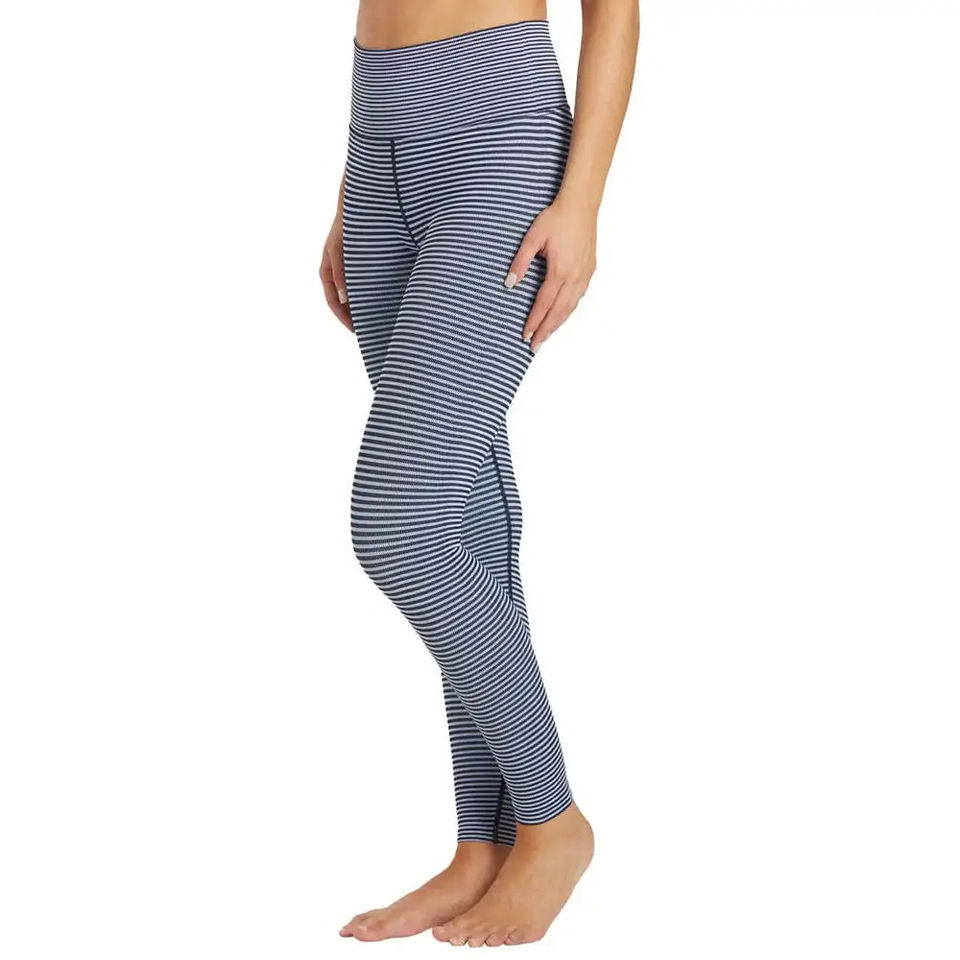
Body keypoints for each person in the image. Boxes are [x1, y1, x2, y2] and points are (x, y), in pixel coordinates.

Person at [320, 0, 639, 947]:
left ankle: (553, 823)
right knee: (457, 510)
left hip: (498, 136)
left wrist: (582, 200)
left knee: (400, 521)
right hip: (377, 140)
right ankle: (484, 845)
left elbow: (615, 10)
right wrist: (352, 188)